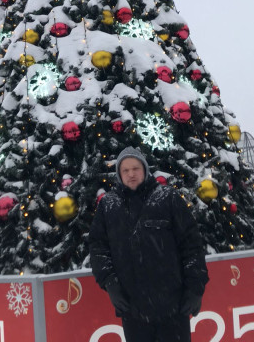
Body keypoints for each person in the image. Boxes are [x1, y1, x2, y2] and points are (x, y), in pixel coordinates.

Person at [89, 146, 209, 342]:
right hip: (133, 312)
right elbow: (98, 248)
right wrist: (110, 283)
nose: (131, 174)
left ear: (144, 169)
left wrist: (196, 288)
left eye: (135, 168)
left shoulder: (168, 198)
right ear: (119, 174)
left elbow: (192, 245)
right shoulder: (108, 205)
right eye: (125, 170)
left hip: (173, 309)